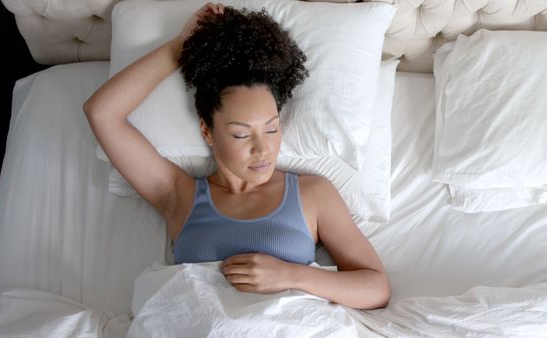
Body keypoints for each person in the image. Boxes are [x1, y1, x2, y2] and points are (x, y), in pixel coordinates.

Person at [84, 2, 390, 310]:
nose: (263, 149)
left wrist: (291, 275)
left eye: (271, 130)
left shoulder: (313, 194)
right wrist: (181, 47)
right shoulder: (179, 194)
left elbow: (376, 288)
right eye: (241, 134)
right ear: (207, 132)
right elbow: (101, 114)